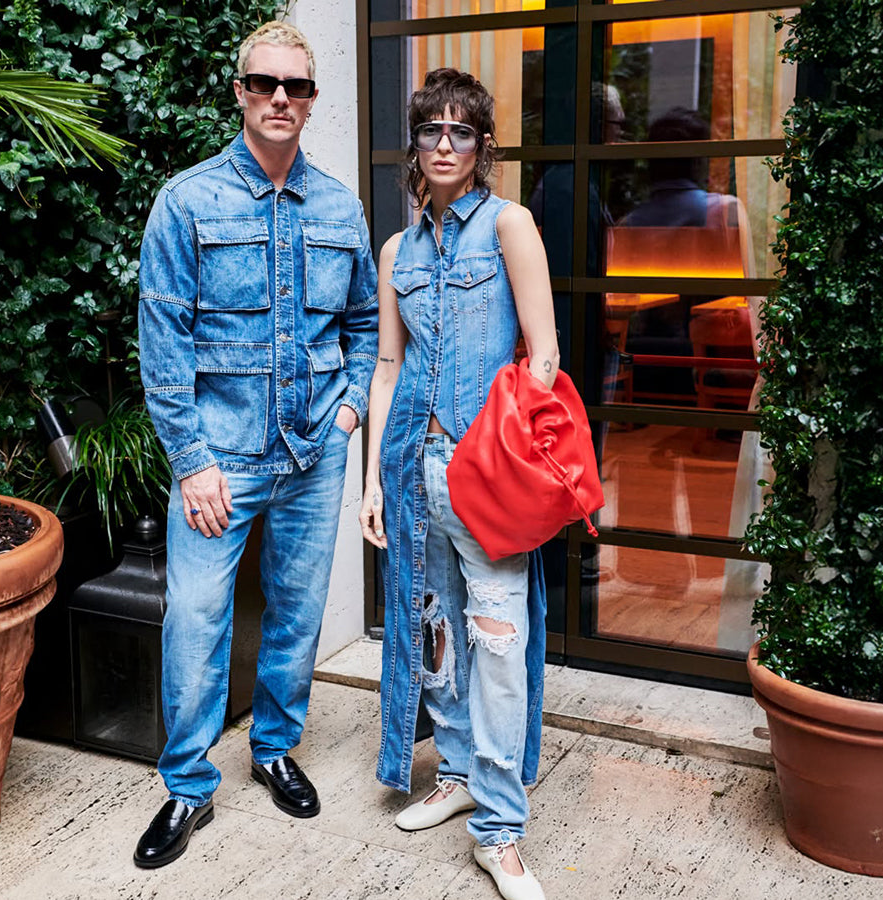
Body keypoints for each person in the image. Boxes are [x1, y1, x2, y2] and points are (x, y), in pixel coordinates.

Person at [134, 20, 378, 869]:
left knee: (298, 617)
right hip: (221, 462)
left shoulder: (339, 206)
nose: (281, 98)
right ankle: (187, 788)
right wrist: (193, 461)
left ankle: (274, 748)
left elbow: (363, 323)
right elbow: (162, 343)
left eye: (297, 87)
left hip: (314, 457)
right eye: (265, 83)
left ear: (311, 100)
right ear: (239, 91)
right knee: (196, 622)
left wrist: (348, 413)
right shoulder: (188, 201)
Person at [359, 68, 559, 900]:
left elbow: (543, 359)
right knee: (432, 629)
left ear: (483, 147)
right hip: (410, 470)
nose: (446, 145)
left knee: (499, 645)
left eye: (462, 132)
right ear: (416, 144)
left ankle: (501, 830)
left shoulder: (511, 227)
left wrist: (513, 462)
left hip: (486, 478)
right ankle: (458, 772)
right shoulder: (396, 251)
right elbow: (386, 365)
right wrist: (372, 478)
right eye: (432, 131)